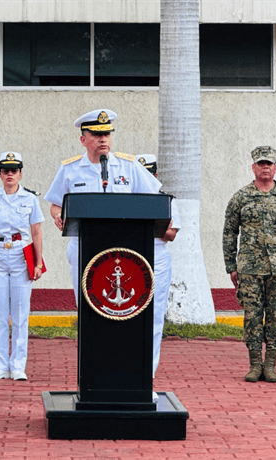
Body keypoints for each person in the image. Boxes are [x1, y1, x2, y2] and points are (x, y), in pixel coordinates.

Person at [44, 109, 162, 301]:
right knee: (86, 300)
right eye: (97, 134)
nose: (103, 139)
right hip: (83, 244)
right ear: (83, 140)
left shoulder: (129, 166)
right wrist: (58, 215)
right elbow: (56, 204)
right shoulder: (69, 169)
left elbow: (153, 200)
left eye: (106, 134)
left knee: (123, 304)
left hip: (124, 246)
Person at [222, 146, 276, 383]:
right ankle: (255, 364)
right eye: (261, 163)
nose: (265, 167)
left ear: (275, 168)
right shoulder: (241, 197)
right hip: (249, 268)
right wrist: (231, 266)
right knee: (252, 316)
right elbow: (229, 233)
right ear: (253, 167)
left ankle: (271, 365)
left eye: (269, 163)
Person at [0, 152, 45, 381]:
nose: (10, 175)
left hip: (20, 254)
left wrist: (38, 262)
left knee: (20, 312)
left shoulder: (30, 199)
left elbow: (36, 231)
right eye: (5, 171)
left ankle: (18, 365)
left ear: (20, 174)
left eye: (14, 171)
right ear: (0, 174)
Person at [136, 154, 181, 377]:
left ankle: (149, 370)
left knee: (154, 313)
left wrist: (147, 225)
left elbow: (171, 234)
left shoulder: (166, 201)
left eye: (149, 173)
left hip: (157, 256)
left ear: (155, 175)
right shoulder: (125, 200)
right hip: (131, 255)